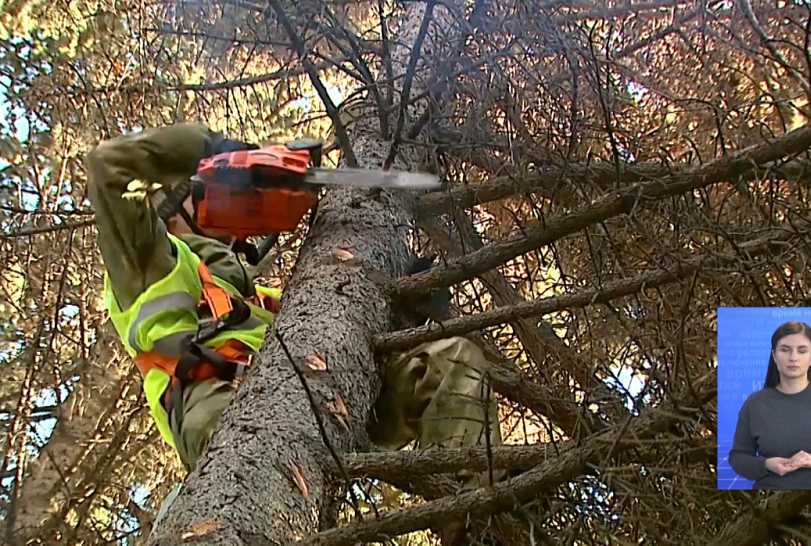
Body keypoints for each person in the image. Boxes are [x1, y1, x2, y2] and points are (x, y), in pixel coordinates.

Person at [84, 123, 501, 483]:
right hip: (223, 407)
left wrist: (403, 300)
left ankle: (478, 512)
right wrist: (211, 149)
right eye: (200, 193)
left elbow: (344, 336)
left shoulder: (266, 302)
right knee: (256, 483)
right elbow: (110, 166)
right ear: (171, 208)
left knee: (450, 362)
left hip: (326, 397)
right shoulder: (148, 260)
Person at [727, 321, 811, 490]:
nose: (793, 357)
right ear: (774, 355)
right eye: (785, 350)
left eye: (802, 351)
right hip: (769, 496)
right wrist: (767, 465)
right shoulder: (755, 403)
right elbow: (738, 457)